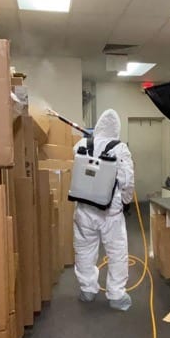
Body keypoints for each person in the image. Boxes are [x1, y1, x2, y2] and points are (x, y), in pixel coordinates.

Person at [72, 109, 135, 311]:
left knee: (84, 250)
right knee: (116, 253)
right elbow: (127, 181)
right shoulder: (120, 149)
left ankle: (87, 290)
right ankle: (116, 295)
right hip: (110, 214)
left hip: (83, 210)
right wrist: (126, 201)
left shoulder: (81, 145)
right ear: (116, 129)